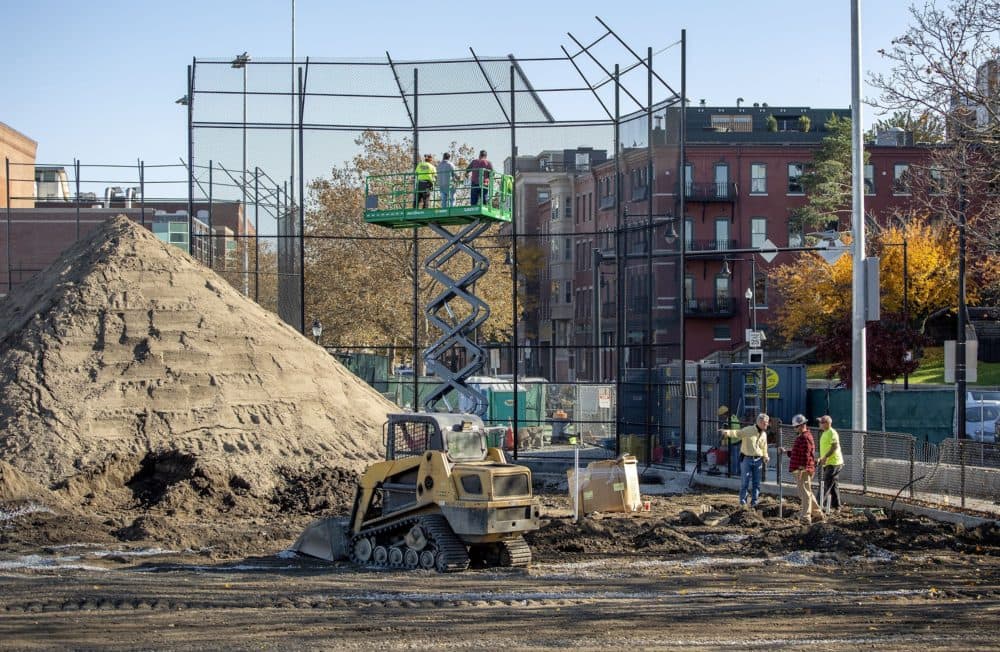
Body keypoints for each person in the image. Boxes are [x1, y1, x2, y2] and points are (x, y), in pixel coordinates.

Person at [786, 414, 824, 524]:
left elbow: (807, 454)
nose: (795, 429)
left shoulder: (805, 437)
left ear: (802, 425)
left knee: (805, 493)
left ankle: (806, 516)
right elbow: (798, 453)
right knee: (807, 492)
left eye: (796, 426)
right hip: (801, 468)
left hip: (803, 469)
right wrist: (787, 452)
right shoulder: (803, 436)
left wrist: (803, 468)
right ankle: (817, 513)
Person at [731, 412, 770, 509]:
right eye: (765, 423)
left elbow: (764, 447)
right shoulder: (748, 430)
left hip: (758, 460)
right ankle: (743, 502)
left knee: (756, 483)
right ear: (760, 422)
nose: (767, 424)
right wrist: (727, 432)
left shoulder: (764, 434)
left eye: (767, 422)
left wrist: (765, 456)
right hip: (747, 459)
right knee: (745, 481)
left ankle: (754, 502)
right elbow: (737, 433)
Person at [817, 414, 844, 511]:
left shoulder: (832, 432)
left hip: (834, 463)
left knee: (825, 483)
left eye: (821, 422)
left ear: (827, 423)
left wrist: (825, 457)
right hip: (829, 462)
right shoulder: (825, 432)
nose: (819, 424)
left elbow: (834, 446)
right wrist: (822, 458)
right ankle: (837, 506)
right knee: (833, 485)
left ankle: (817, 505)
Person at [717, 405, 741, 475]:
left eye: (722, 415)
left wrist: (720, 440)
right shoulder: (734, 417)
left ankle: (733, 472)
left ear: (724, 414)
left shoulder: (728, 420)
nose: (722, 417)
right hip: (739, 440)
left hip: (733, 441)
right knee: (738, 458)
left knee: (733, 458)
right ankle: (738, 471)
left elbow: (726, 433)